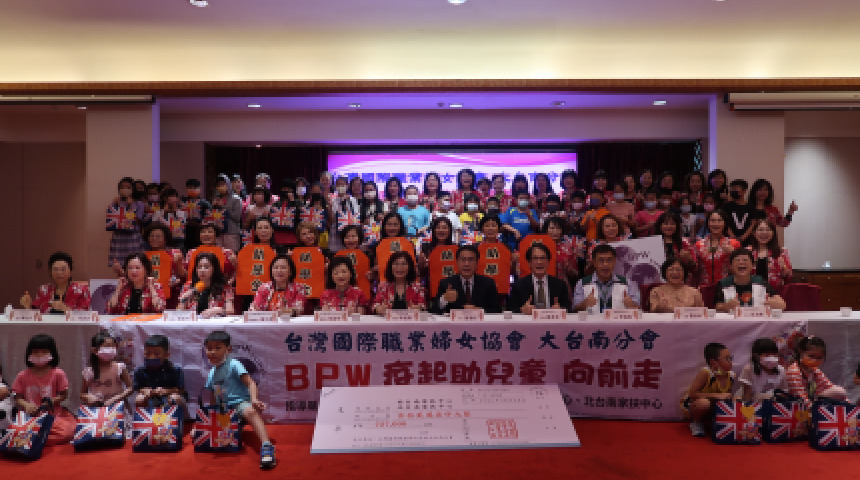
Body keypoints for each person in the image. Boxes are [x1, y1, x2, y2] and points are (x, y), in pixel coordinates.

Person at [203, 330, 276, 469]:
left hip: (240, 404)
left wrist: (254, 400)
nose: (212, 352)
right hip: (224, 411)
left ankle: (267, 446)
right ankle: (237, 426)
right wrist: (212, 416)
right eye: (209, 348)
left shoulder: (234, 364)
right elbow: (213, 395)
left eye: (218, 348)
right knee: (220, 439)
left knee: (250, 412)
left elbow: (251, 383)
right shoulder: (212, 372)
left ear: (228, 349)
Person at [12, 334, 76, 445]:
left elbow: (63, 395)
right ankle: (37, 437)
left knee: (67, 432)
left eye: (44, 352)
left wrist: (51, 401)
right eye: (35, 352)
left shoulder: (58, 373)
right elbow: (17, 396)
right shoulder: (22, 375)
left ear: (52, 353)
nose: (39, 355)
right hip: (29, 416)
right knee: (13, 430)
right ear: (29, 354)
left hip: (53, 415)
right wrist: (26, 405)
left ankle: (35, 438)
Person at [683, 342, 734, 437]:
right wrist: (717, 395)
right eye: (727, 359)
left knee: (736, 401)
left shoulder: (731, 375)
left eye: (731, 358)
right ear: (714, 362)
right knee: (704, 403)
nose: (730, 361)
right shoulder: (705, 373)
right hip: (696, 405)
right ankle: (696, 422)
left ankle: (715, 422)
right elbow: (692, 394)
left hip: (714, 405)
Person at [573, 243, 640, 313]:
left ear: (614, 262)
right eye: (601, 260)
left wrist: (631, 305)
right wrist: (585, 303)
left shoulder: (627, 283)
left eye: (609, 260)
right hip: (591, 320)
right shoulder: (582, 283)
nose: (605, 264)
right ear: (594, 263)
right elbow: (574, 310)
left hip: (618, 320)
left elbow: (638, 309)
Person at [433, 245, 501, 313]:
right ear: (457, 263)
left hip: (480, 320)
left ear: (477, 263)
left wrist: (479, 310)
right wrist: (444, 299)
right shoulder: (446, 283)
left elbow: (497, 311)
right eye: (463, 260)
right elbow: (433, 311)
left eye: (471, 260)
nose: (466, 264)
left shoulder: (488, 283)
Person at [714, 249, 786, 312]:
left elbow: (782, 304)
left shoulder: (761, 282)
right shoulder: (723, 284)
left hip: (758, 321)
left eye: (745, 260)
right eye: (737, 260)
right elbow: (717, 307)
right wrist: (725, 307)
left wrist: (776, 304)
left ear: (752, 265)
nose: (741, 262)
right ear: (731, 266)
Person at [19, 251, 91, 314]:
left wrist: (65, 309)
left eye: (63, 269)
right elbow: (36, 316)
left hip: (72, 326)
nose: (59, 273)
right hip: (47, 325)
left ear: (70, 271)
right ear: (50, 272)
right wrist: (28, 306)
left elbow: (86, 316)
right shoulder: (44, 290)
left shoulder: (82, 290)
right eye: (55, 269)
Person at [508, 243, 571, 313]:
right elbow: (510, 310)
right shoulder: (518, 286)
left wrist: (561, 310)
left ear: (548, 262)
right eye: (535, 258)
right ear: (529, 263)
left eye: (543, 258)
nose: (539, 262)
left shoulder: (560, 285)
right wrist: (522, 310)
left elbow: (568, 309)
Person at [786, 336, 847, 408]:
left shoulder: (814, 370)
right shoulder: (794, 371)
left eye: (819, 358)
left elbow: (829, 387)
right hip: (796, 406)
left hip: (811, 402)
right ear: (801, 352)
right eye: (811, 356)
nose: (815, 360)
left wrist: (850, 406)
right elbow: (800, 396)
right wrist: (814, 410)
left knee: (839, 391)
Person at [80, 331, 132, 407]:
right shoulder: (88, 372)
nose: (111, 349)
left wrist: (116, 398)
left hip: (117, 407)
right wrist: (89, 397)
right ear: (95, 350)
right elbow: (82, 394)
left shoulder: (120, 367)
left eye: (113, 346)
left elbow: (130, 388)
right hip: (97, 409)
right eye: (107, 346)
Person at [133, 334, 186, 407]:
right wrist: (144, 390)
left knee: (175, 398)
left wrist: (166, 391)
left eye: (156, 354)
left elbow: (181, 389)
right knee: (139, 399)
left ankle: (177, 414)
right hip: (150, 398)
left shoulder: (175, 370)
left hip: (168, 397)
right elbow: (137, 388)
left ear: (166, 355)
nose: (152, 357)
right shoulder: (139, 370)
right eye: (148, 353)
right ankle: (145, 414)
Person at [178, 252, 235, 318]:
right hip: (193, 322)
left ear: (214, 269)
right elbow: (179, 313)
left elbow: (230, 311)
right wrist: (183, 300)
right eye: (199, 267)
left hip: (215, 322)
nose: (202, 270)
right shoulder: (188, 286)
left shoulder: (224, 287)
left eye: (206, 267)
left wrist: (219, 310)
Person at [107, 177, 146, 271]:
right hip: (119, 237)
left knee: (134, 264)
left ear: (133, 189)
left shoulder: (139, 204)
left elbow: (138, 221)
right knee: (119, 267)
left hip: (133, 237)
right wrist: (115, 204)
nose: (125, 189)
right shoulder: (115, 203)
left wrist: (130, 206)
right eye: (122, 187)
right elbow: (111, 218)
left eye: (128, 187)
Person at [694, 211, 740, 285]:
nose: (716, 224)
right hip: (704, 286)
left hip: (727, 285)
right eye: (712, 220)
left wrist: (733, 253)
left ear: (725, 223)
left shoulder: (734, 243)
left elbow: (741, 267)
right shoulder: (698, 244)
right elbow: (695, 269)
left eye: (719, 220)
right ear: (708, 223)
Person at [747, 218, 793, 289]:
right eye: (760, 230)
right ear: (754, 233)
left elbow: (788, 279)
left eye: (768, 230)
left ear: (773, 233)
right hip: (751, 291)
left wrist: (784, 269)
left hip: (775, 292)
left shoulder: (781, 252)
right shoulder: (748, 252)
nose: (764, 233)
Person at [214, 173, 243, 252]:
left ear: (228, 184)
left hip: (231, 233)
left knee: (231, 255)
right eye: (219, 185)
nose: (221, 187)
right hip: (218, 233)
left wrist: (223, 207)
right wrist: (214, 207)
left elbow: (237, 218)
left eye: (223, 184)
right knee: (219, 255)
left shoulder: (236, 199)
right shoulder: (216, 199)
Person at [720, 179, 755, 243]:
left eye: (735, 189)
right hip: (728, 239)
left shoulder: (751, 206)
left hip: (747, 240)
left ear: (744, 191)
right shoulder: (726, 206)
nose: (733, 191)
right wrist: (732, 236)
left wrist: (743, 237)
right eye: (732, 189)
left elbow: (753, 223)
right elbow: (723, 221)